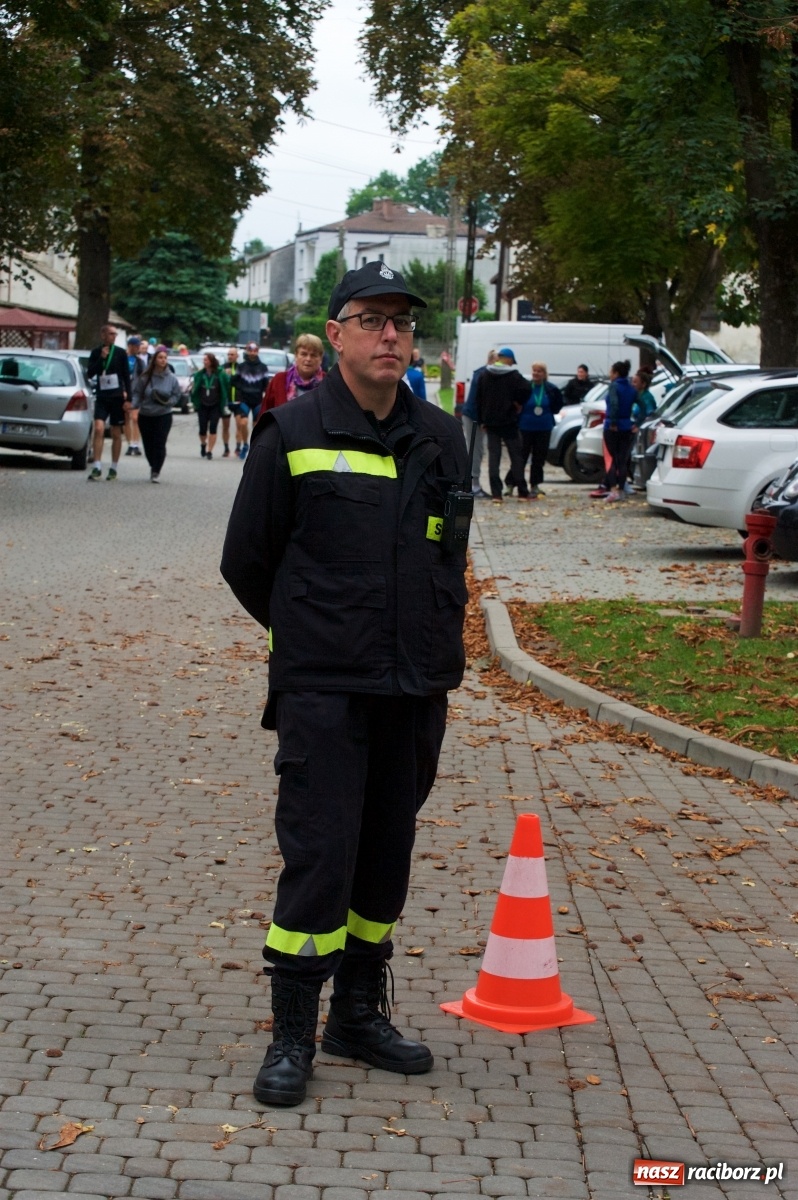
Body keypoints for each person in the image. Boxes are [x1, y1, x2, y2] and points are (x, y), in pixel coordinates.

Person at [221, 260, 468, 1109]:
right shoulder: (289, 430)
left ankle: (358, 1017)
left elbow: (448, 552)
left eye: (401, 321)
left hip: (414, 689)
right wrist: (316, 635)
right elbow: (247, 561)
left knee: (383, 859)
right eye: (372, 319)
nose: (391, 334)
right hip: (325, 689)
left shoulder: (442, 436)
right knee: (320, 857)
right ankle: (293, 1032)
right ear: (335, 335)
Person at [475, 346, 531, 500]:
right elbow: (527, 389)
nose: (512, 364)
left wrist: (482, 420)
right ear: (508, 359)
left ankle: (496, 494)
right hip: (509, 421)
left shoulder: (485, 374)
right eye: (512, 361)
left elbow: (478, 398)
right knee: (516, 456)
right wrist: (517, 402)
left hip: (490, 422)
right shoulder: (513, 376)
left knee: (494, 458)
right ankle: (522, 491)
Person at [86, 323, 132, 481]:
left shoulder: (120, 353)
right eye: (111, 334)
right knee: (98, 429)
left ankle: (113, 467)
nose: (114, 336)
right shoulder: (96, 352)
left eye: (115, 334)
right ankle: (97, 466)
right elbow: (90, 373)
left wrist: (129, 399)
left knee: (115, 432)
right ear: (103, 335)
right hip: (102, 397)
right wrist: (101, 359)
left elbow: (126, 376)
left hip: (117, 397)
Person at [132, 345, 181, 482]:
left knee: (160, 442)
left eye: (165, 358)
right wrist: (133, 405)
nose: (163, 360)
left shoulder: (171, 378)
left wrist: (170, 402)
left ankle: (156, 470)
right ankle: (153, 462)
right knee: (148, 444)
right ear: (154, 360)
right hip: (146, 414)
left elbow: (177, 394)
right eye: (160, 357)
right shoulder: (145, 377)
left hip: (163, 415)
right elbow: (137, 393)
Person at [515, 361, 563, 498]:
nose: (536, 373)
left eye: (539, 371)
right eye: (534, 371)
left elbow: (557, 404)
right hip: (525, 427)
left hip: (544, 427)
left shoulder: (550, 389)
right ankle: (513, 482)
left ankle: (535, 485)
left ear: (544, 374)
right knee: (521, 456)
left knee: (539, 458)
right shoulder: (525, 387)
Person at [595, 359, 637, 503]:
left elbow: (613, 403)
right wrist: (638, 422)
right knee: (622, 459)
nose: (610, 374)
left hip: (612, 426)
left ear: (616, 373)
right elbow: (643, 404)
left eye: (611, 372)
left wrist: (612, 421)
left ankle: (613, 489)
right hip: (627, 425)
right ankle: (621, 488)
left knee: (610, 459)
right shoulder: (632, 388)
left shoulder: (614, 387)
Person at [461, 350, 495, 498]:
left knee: (477, 450)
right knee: (476, 450)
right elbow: (480, 400)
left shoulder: (481, 373)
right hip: (474, 417)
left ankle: (473, 482)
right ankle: (473, 485)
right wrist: (481, 420)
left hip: (474, 416)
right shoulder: (484, 375)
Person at [262, 334, 325, 411]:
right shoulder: (279, 380)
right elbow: (265, 414)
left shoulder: (328, 384)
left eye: (313, 355)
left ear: (320, 358)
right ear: (296, 355)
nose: (308, 359)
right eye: (303, 354)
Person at [232, 342, 270, 460]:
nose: (253, 352)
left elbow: (266, 385)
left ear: (258, 351)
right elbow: (234, 381)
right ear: (247, 351)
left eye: (255, 350)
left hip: (258, 399)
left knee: (257, 426)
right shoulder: (241, 366)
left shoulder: (263, 367)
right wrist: (240, 390)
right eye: (250, 350)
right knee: (242, 423)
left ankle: (255, 446)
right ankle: (245, 445)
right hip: (244, 399)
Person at [192, 352, 230, 460]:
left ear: (212, 361)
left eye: (206, 360)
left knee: (213, 427)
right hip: (203, 404)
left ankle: (209, 451)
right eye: (203, 360)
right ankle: (203, 444)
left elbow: (227, 385)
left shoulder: (220, 374)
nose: (204, 362)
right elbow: (195, 386)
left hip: (215, 405)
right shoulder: (201, 374)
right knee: (202, 428)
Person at [124, 335, 146, 458]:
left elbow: (143, 378)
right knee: (126, 418)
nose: (138, 348)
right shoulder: (123, 358)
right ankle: (129, 444)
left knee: (135, 418)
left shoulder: (140, 361)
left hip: (136, 393)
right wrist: (122, 390)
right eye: (137, 346)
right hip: (124, 392)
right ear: (131, 346)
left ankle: (136, 444)